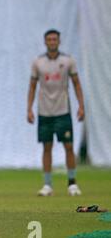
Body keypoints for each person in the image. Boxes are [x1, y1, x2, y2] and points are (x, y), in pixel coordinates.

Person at [27, 29, 85, 197]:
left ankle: (72, 183)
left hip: (62, 111)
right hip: (44, 112)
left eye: (55, 39)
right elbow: (32, 86)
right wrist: (29, 109)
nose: (52, 42)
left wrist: (81, 106)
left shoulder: (68, 61)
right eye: (49, 39)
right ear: (45, 42)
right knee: (47, 147)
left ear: (59, 41)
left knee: (68, 146)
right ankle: (47, 185)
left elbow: (76, 84)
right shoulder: (38, 62)